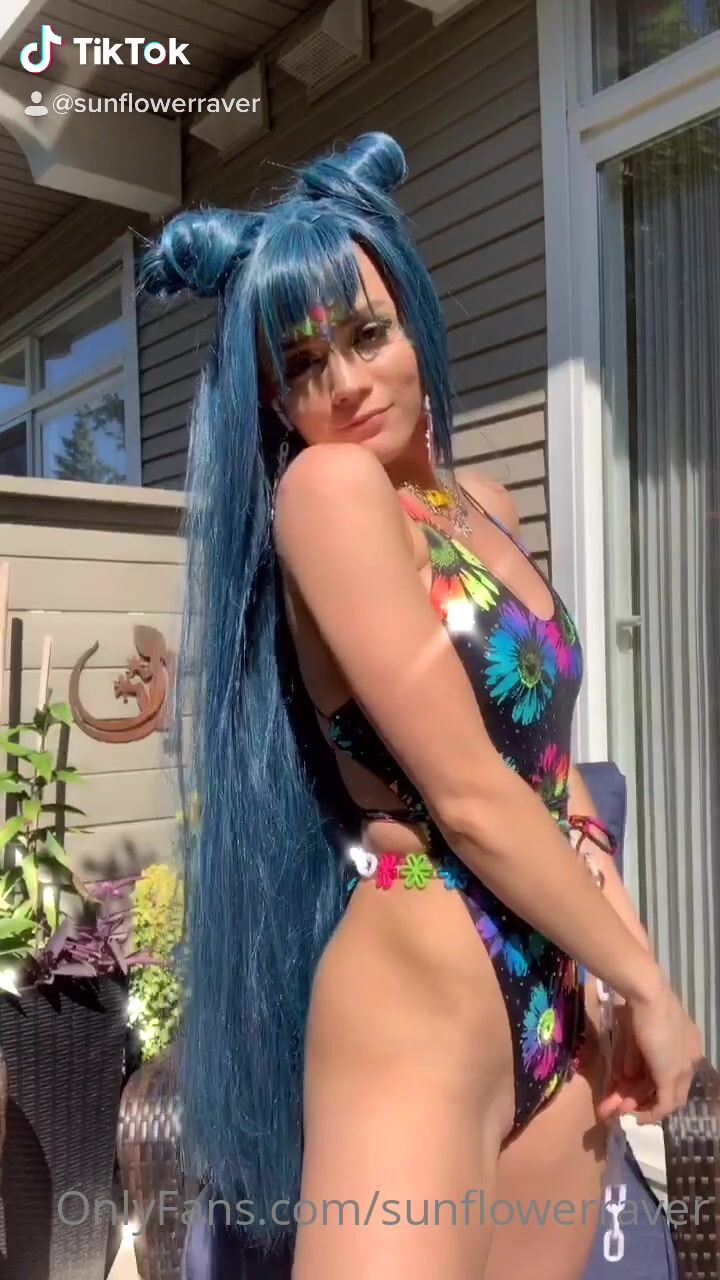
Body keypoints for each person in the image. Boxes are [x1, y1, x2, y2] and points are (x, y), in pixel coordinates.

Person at [140, 132, 703, 1280]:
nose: (346, 383)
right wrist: (653, 985)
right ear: (274, 400)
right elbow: (468, 794)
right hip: (420, 996)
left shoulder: (479, 505)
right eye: (304, 364)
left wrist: (620, 967)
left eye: (367, 334)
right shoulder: (327, 489)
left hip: (555, 1003)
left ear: (416, 322)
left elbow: (551, 779)